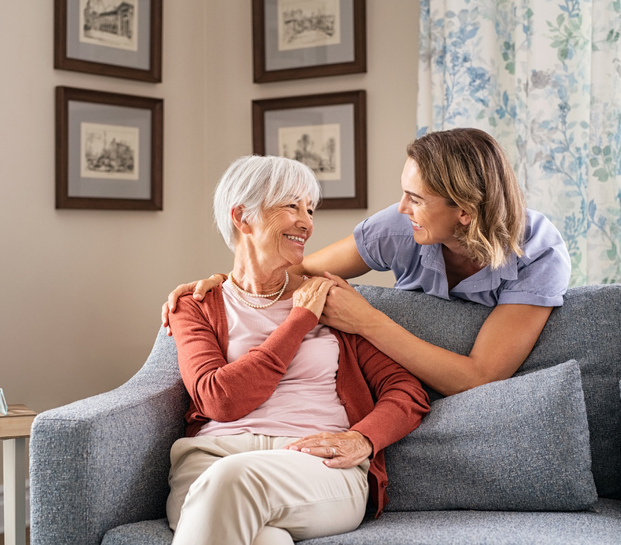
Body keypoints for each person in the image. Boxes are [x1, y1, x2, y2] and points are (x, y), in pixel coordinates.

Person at [163, 128, 571, 397]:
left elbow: (480, 377)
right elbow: (295, 271)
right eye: (403, 192)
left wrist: (366, 320)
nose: (400, 207)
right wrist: (225, 282)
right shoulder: (398, 227)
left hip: (470, 399)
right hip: (397, 386)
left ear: (464, 211)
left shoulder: (538, 252)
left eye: (416, 199)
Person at [166, 155, 430, 545]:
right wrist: (299, 321)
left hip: (315, 464)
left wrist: (363, 439)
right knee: (266, 539)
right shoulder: (196, 304)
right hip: (211, 459)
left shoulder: (332, 300)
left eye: (309, 209)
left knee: (233, 481)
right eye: (291, 205)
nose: (306, 222)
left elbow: (407, 392)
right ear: (243, 217)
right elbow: (220, 401)